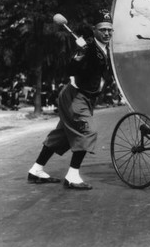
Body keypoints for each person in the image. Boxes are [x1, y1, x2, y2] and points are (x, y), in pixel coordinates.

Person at [27, 10, 114, 190]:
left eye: (109, 30)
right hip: (75, 96)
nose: (106, 33)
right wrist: (80, 55)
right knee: (86, 131)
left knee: (64, 135)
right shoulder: (88, 47)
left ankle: (36, 170)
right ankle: (72, 176)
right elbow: (71, 70)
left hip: (87, 98)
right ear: (94, 30)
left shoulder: (104, 49)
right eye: (102, 29)